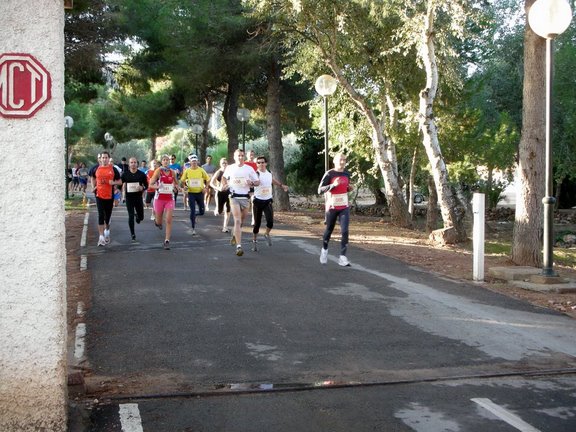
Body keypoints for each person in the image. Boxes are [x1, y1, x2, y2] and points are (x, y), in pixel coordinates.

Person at [221, 149, 260, 256]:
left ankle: (235, 234)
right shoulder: (230, 168)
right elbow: (224, 177)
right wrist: (225, 185)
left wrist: (251, 182)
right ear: (234, 156)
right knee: (237, 221)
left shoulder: (249, 169)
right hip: (234, 196)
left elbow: (257, 182)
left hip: (246, 197)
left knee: (241, 222)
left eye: (242, 155)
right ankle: (239, 247)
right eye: (238, 155)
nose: (241, 157)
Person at [318, 153, 353, 266]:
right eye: (340, 160)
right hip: (332, 207)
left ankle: (342, 257)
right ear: (334, 161)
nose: (342, 162)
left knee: (345, 231)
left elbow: (344, 188)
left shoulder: (347, 174)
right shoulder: (329, 174)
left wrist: (349, 189)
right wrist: (333, 185)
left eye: (344, 160)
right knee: (329, 230)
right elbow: (320, 190)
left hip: (344, 206)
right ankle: (324, 250)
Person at [251, 156, 289, 251]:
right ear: (257, 164)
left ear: (266, 163)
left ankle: (266, 233)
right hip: (258, 201)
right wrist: (253, 184)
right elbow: (252, 183)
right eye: (258, 163)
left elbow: (271, 180)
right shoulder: (256, 174)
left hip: (267, 200)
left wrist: (281, 185)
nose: (261, 164)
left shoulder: (269, 173)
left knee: (270, 222)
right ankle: (254, 241)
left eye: (262, 162)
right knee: (257, 224)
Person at [91, 151, 122, 247]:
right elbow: (94, 178)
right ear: (100, 159)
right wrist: (94, 187)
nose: (104, 159)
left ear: (109, 159)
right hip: (99, 195)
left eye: (106, 157)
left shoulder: (113, 169)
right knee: (100, 215)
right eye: (102, 157)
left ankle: (107, 230)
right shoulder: (96, 168)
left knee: (107, 217)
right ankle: (101, 237)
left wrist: (113, 183)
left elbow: (120, 181)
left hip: (109, 196)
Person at [149, 154, 179, 250]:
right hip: (159, 199)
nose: (166, 161)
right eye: (164, 160)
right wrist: (158, 187)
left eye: (167, 160)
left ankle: (167, 241)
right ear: (161, 162)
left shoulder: (172, 172)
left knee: (169, 219)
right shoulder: (158, 171)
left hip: (169, 198)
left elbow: (176, 184)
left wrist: (176, 188)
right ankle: (158, 223)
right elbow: (151, 185)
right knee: (159, 221)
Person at [180, 154, 210, 236]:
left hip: (200, 193)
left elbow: (208, 179)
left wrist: (206, 188)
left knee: (202, 212)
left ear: (197, 162)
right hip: (191, 193)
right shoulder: (187, 171)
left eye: (195, 161)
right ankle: (193, 228)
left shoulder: (201, 170)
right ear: (190, 162)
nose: (194, 163)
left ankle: (196, 215)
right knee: (192, 210)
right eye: (192, 161)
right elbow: (182, 181)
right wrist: (185, 187)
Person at [121, 157, 148, 242]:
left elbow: (146, 185)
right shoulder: (125, 174)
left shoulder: (141, 174)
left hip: (138, 198)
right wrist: (117, 190)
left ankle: (138, 217)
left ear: (137, 164)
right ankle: (132, 234)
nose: (133, 164)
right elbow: (119, 184)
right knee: (130, 216)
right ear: (129, 164)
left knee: (141, 217)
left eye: (134, 162)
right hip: (129, 198)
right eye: (131, 162)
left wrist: (142, 187)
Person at [210, 158, 231, 233]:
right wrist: (217, 188)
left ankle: (225, 227)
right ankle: (217, 209)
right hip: (220, 193)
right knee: (219, 211)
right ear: (220, 164)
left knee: (228, 210)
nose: (224, 164)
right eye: (223, 163)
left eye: (225, 163)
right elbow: (211, 183)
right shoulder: (218, 172)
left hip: (228, 193)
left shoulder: (230, 172)